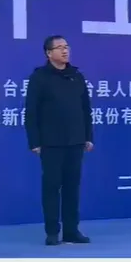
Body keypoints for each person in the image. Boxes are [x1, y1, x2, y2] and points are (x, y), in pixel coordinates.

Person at [25, 35, 93, 246]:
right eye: (60, 47)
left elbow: (86, 109)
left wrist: (88, 137)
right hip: (51, 142)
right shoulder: (40, 77)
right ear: (48, 53)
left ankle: (71, 230)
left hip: (75, 141)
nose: (65, 51)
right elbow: (31, 112)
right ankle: (52, 231)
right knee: (52, 187)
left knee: (72, 188)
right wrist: (34, 141)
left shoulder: (76, 76)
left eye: (67, 47)